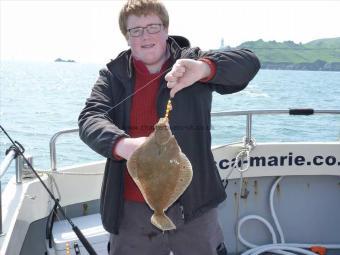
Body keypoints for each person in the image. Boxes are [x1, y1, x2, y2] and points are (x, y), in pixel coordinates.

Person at [78, 0, 260, 254]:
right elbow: (89, 118)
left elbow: (248, 63)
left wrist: (204, 69)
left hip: (195, 203)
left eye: (153, 27)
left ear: (165, 30)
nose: (145, 36)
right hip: (131, 208)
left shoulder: (191, 62)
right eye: (136, 30)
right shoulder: (112, 76)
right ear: (127, 37)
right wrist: (124, 145)